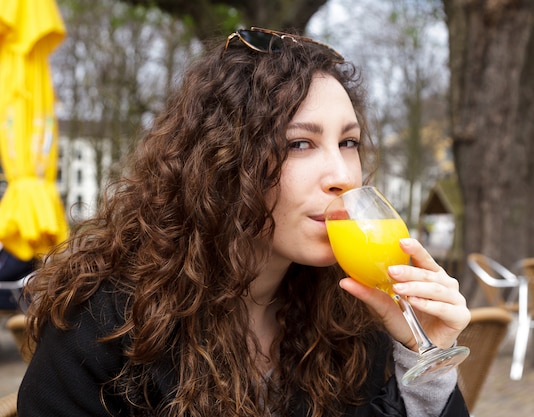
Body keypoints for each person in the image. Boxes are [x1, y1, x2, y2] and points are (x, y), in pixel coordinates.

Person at [17, 27, 471, 417]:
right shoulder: (106, 319)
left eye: (348, 142)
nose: (342, 176)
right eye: (299, 144)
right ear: (223, 160)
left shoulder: (352, 312)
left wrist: (423, 359)